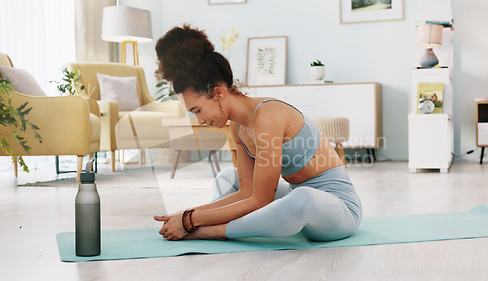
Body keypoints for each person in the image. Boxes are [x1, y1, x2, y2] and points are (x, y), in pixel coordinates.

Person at [153, 25, 362, 242]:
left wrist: (191, 221)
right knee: (227, 179)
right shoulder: (239, 127)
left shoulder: (267, 116)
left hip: (336, 209)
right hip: (294, 198)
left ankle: (211, 231)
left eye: (197, 110)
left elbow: (261, 200)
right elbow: (247, 192)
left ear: (217, 93)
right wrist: (187, 213)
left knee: (302, 198)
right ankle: (229, 225)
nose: (201, 120)